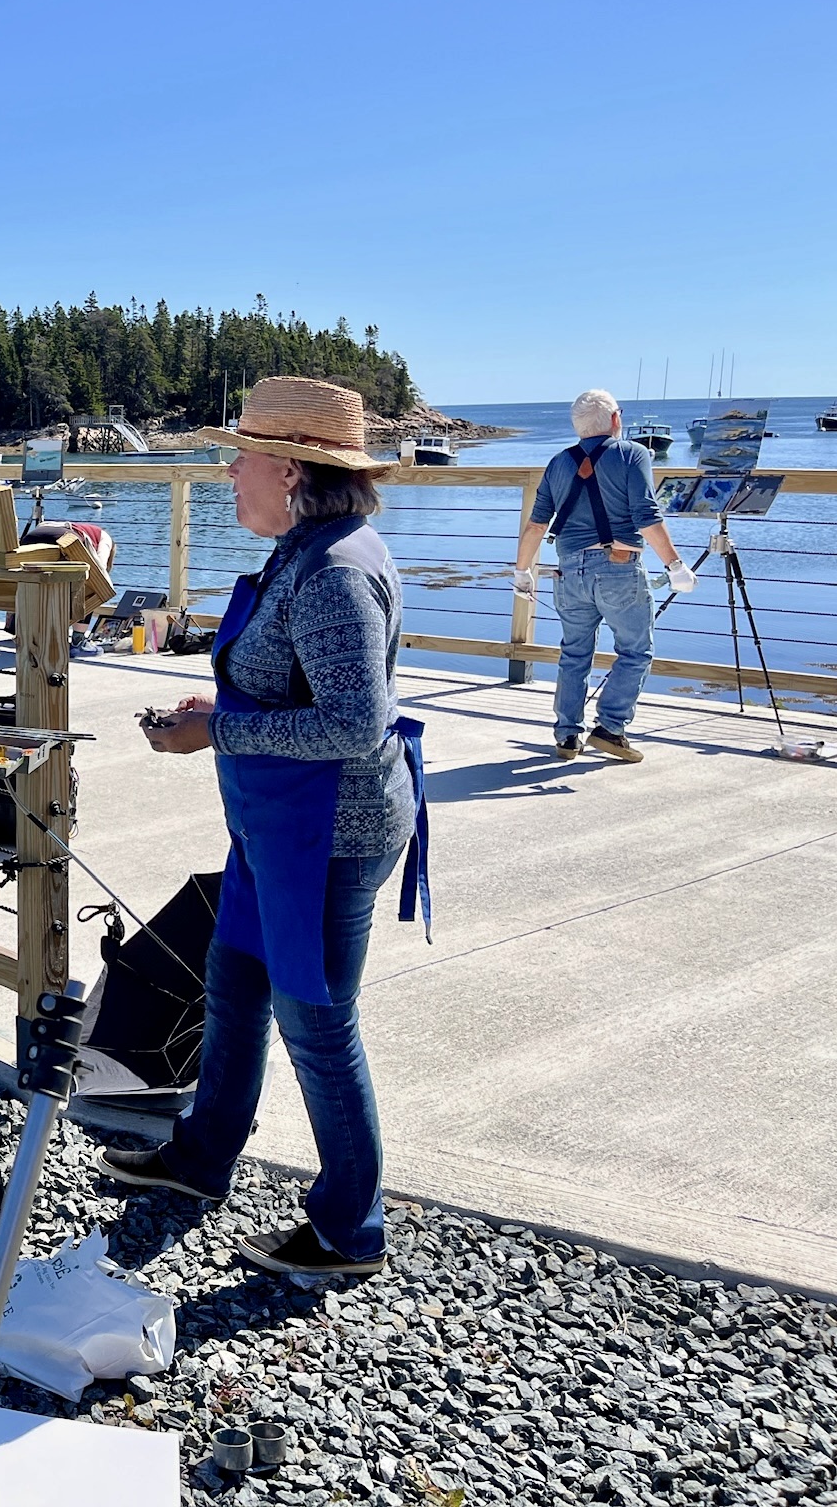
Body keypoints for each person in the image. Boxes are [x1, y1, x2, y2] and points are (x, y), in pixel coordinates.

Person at [101, 376, 430, 1278]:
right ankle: (203, 1159)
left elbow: (354, 725)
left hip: (328, 837)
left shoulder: (331, 574)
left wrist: (220, 728)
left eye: (237, 456)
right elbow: (298, 689)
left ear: (288, 470)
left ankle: (349, 1230)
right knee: (234, 988)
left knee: (318, 1024)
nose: (227, 472)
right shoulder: (307, 549)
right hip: (275, 828)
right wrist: (224, 702)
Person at [512, 389, 696, 762]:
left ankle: (567, 737)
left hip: (566, 571)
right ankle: (610, 728)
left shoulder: (558, 462)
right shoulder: (632, 453)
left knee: (574, 653)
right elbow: (647, 516)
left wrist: (521, 572)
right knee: (636, 650)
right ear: (615, 419)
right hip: (616, 568)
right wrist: (675, 566)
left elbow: (535, 525)